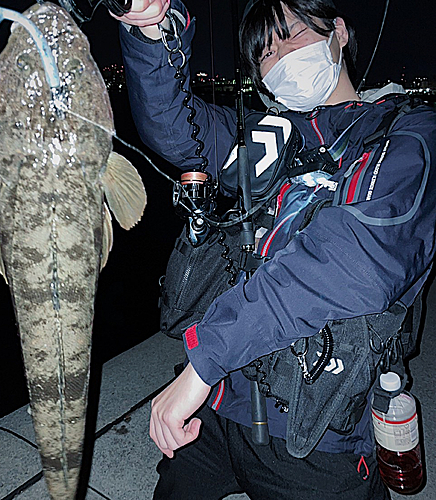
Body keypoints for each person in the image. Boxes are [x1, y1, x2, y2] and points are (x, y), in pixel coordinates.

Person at [113, 0, 436, 498]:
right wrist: (154, 31)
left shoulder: (407, 136)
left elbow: (354, 261)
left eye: (291, 34)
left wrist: (204, 362)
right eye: (264, 53)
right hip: (221, 404)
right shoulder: (264, 138)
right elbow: (174, 126)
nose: (279, 56)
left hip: (315, 431)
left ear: (340, 32)